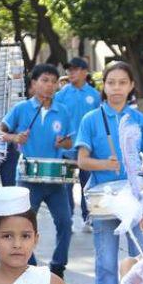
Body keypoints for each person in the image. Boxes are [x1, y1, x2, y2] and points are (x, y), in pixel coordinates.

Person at [76, 60, 143, 284]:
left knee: (141, 260)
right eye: (111, 82)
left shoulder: (139, 119)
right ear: (104, 85)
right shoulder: (91, 119)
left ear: (132, 86)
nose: (116, 88)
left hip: (134, 199)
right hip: (103, 202)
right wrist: (105, 164)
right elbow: (82, 161)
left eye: (122, 82)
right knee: (106, 265)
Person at [1, 64, 75, 278]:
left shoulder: (63, 111)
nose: (50, 85)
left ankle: (58, 265)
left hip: (55, 179)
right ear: (33, 84)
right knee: (23, 225)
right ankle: (31, 266)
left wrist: (64, 142)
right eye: (44, 80)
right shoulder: (21, 109)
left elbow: (71, 142)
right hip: (28, 178)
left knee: (65, 222)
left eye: (53, 81)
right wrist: (15, 138)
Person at [55, 57, 102, 226]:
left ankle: (87, 216)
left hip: (88, 149)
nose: (71, 73)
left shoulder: (94, 95)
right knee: (66, 186)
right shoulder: (61, 95)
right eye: (69, 70)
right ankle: (68, 218)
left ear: (85, 72)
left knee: (87, 184)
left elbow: (98, 121)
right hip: (67, 148)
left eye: (75, 69)